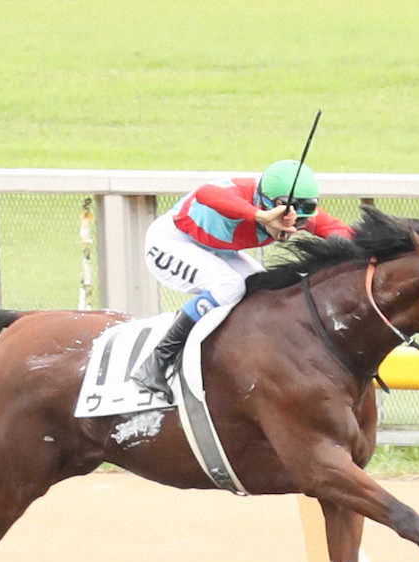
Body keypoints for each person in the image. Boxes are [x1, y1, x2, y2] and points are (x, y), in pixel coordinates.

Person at [131, 159, 353, 401]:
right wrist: (260, 216)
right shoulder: (242, 195)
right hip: (172, 242)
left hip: (216, 248)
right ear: (265, 201)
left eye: (299, 223)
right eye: (285, 221)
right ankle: (156, 362)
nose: (289, 230)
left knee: (264, 291)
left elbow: (341, 231)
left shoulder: (296, 211)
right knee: (229, 287)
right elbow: (206, 194)